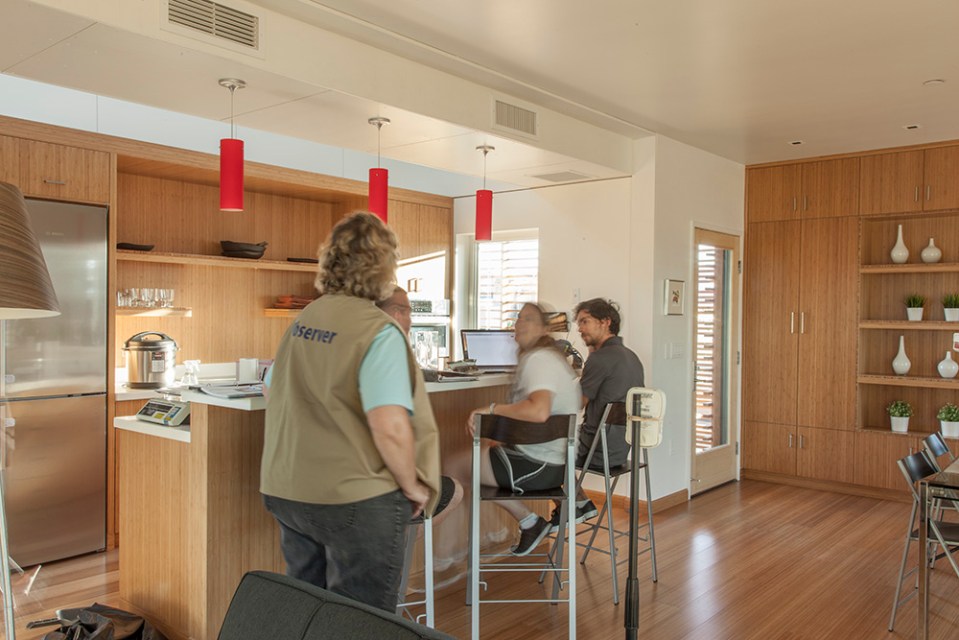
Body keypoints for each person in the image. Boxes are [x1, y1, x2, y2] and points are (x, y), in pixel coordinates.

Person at [260, 212, 441, 613]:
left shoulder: (306, 318)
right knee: (361, 622)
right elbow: (389, 425)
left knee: (309, 614)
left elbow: (272, 390)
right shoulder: (377, 330)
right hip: (354, 498)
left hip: (290, 492)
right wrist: (412, 484)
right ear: (384, 268)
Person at [447, 302, 581, 556]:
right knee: (481, 454)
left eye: (528, 319)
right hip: (557, 468)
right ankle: (530, 523)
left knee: (453, 469)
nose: (519, 324)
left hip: (535, 467)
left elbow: (538, 411)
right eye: (518, 318)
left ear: (543, 329)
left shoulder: (538, 360)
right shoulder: (551, 359)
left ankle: (529, 522)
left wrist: (490, 408)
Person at [550, 297, 645, 531]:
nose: (580, 328)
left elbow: (576, 404)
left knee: (543, 449)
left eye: (585, 322)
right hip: (623, 449)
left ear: (605, 322)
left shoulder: (600, 359)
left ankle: (577, 503)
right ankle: (579, 501)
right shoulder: (632, 357)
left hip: (598, 451)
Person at [375, 285, 463, 523]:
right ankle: (398, 550)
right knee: (452, 490)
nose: (410, 320)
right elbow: (389, 429)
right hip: (379, 487)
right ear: (397, 313)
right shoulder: (387, 346)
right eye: (409, 312)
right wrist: (411, 485)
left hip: (311, 486)